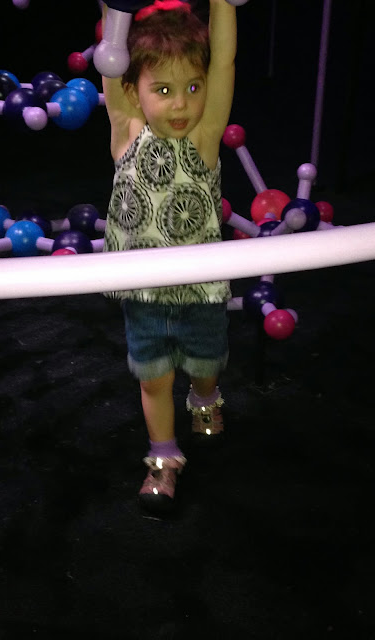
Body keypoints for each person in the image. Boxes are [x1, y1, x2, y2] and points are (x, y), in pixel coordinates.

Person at [101, 0, 237, 513]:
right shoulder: (126, 131)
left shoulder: (203, 138)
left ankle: (204, 396)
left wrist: (222, 4)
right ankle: (163, 456)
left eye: (193, 88)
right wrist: (116, 9)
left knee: (205, 364)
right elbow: (112, 56)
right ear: (132, 92)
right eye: (162, 90)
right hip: (144, 294)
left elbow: (223, 60)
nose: (181, 104)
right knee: (154, 376)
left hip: (202, 291)